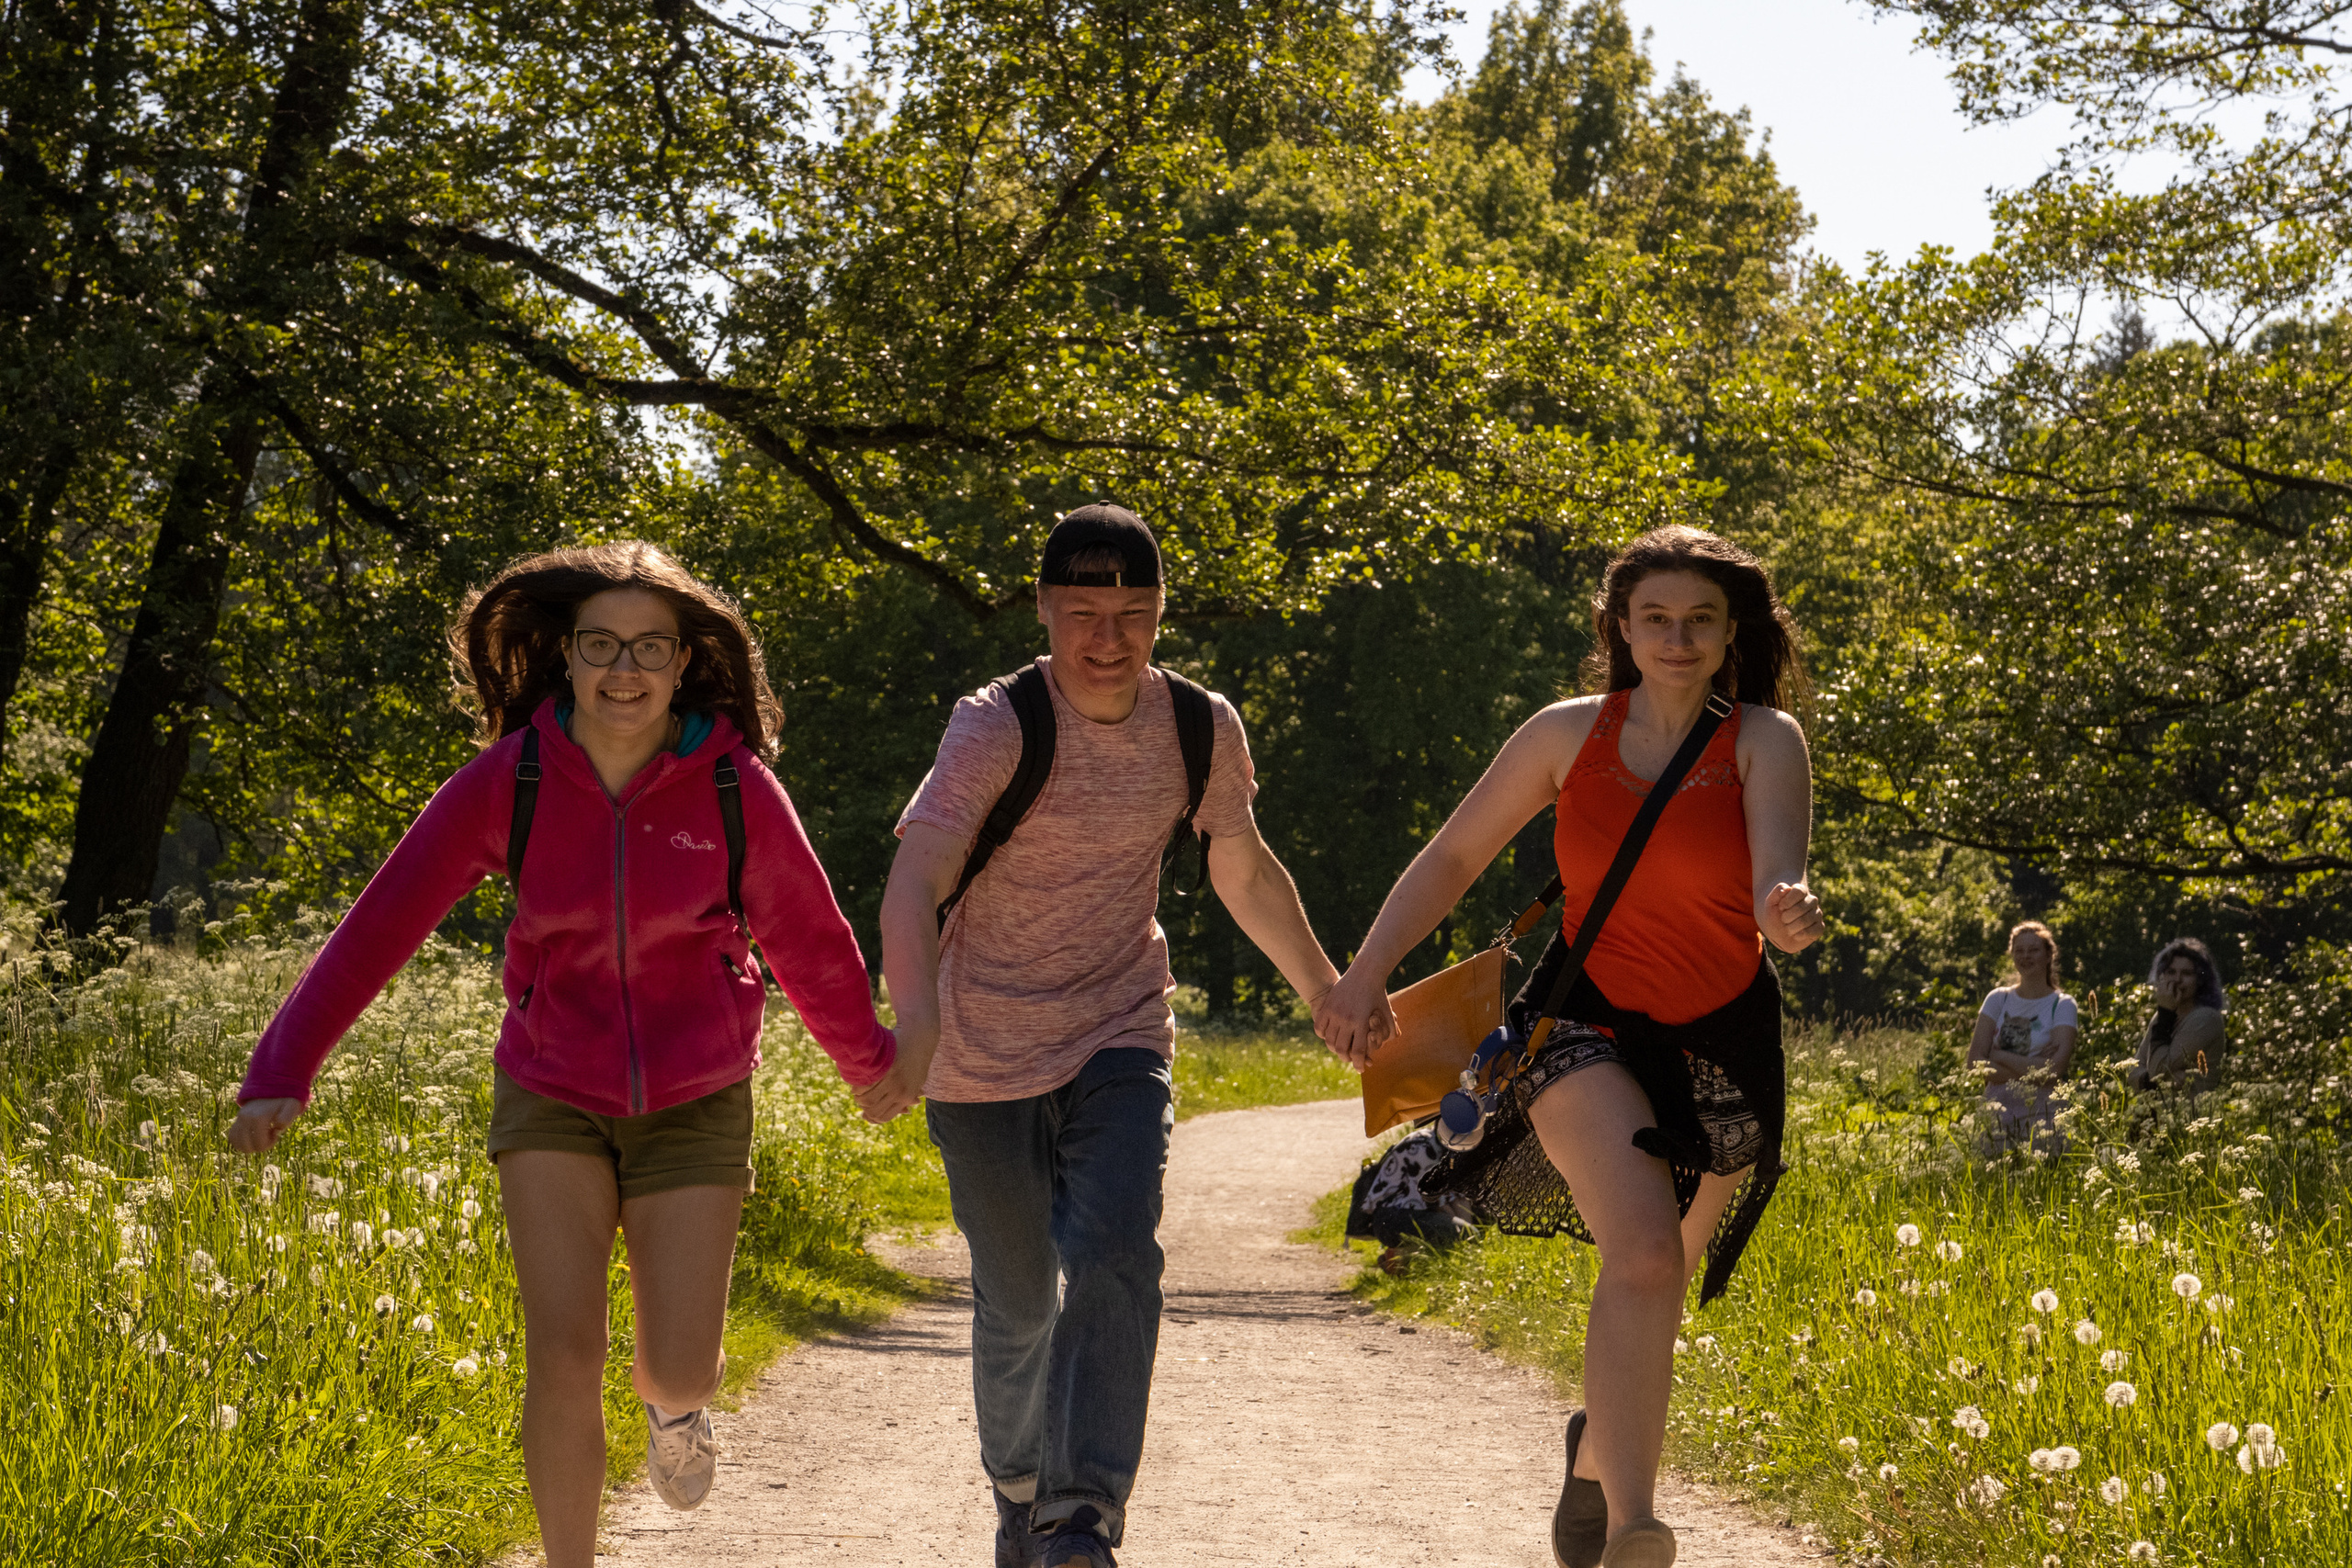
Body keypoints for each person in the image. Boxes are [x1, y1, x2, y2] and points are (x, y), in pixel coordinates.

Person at [226, 543, 895, 1568]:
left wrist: (868, 1063)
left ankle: (675, 1416)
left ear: (684, 664)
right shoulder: (511, 781)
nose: (624, 669)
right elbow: (379, 927)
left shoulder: (734, 788)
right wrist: (281, 1069)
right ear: (566, 657)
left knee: (677, 1367)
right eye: (601, 645)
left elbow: (810, 934)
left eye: (648, 649)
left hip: (695, 1094)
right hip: (549, 1088)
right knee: (564, 1349)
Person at [1317, 525, 1825, 1568]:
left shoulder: (1764, 739)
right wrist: (1363, 974)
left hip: (1720, 1036)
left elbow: (1778, 866)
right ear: (1619, 628)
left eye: (1699, 620)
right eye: (1655, 618)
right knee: (1639, 1252)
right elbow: (1453, 855)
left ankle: (1596, 1447)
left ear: (1732, 634)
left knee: (1660, 1275)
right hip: (1580, 1018)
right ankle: (1637, 1527)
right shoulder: (1565, 735)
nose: (1676, 639)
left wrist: (1785, 909)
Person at [867, 503, 1342, 1568]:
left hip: (1120, 1024)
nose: (1108, 637)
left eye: (1134, 611)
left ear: (1161, 610)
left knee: (1119, 1250)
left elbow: (1240, 864)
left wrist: (1325, 986)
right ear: (1042, 611)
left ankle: (1081, 1515)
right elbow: (916, 882)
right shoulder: (996, 724)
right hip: (979, 1048)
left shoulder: (1199, 724)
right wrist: (917, 1024)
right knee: (1020, 1296)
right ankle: (1020, 1489)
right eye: (1082, 612)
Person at [1967, 920, 2080, 1146]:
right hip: (1996, 1112)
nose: (2026, 956)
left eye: (2034, 950)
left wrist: (1999, 1056)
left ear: (2049, 955)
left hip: (2045, 1114)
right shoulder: (1998, 999)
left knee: (2045, 1178)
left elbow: (2055, 1071)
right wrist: (2035, 1066)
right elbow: (1974, 1065)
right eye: (2019, 950)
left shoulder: (2063, 1005)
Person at [2128, 937, 2228, 1092]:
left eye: (2186, 974)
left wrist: (2165, 1013)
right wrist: (2160, 1082)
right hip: (2155, 1112)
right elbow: (2133, 1070)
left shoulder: (2206, 1018)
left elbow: (2158, 1070)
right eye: (2171, 972)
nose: (2177, 980)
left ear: (2200, 979)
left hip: (2191, 1113)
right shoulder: (2161, 1015)